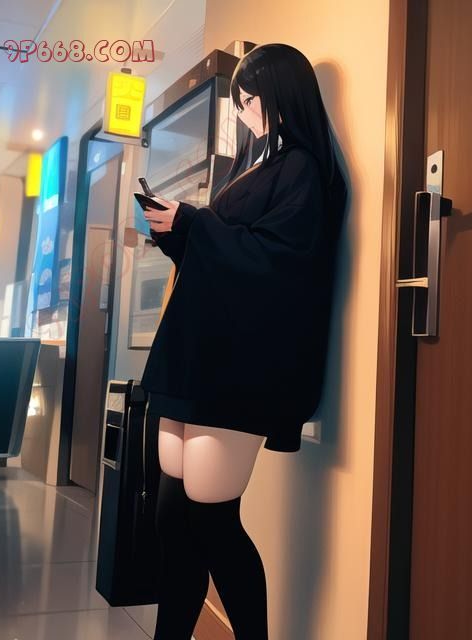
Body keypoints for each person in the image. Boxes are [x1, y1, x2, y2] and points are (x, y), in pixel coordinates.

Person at [141, 43, 348, 640]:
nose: (241, 110)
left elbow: (279, 264)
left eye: (248, 98)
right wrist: (177, 232)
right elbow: (226, 254)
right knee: (173, 517)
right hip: (197, 355)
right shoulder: (254, 165)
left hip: (238, 366)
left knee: (211, 522)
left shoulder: (303, 170)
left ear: (280, 95)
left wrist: (194, 222)